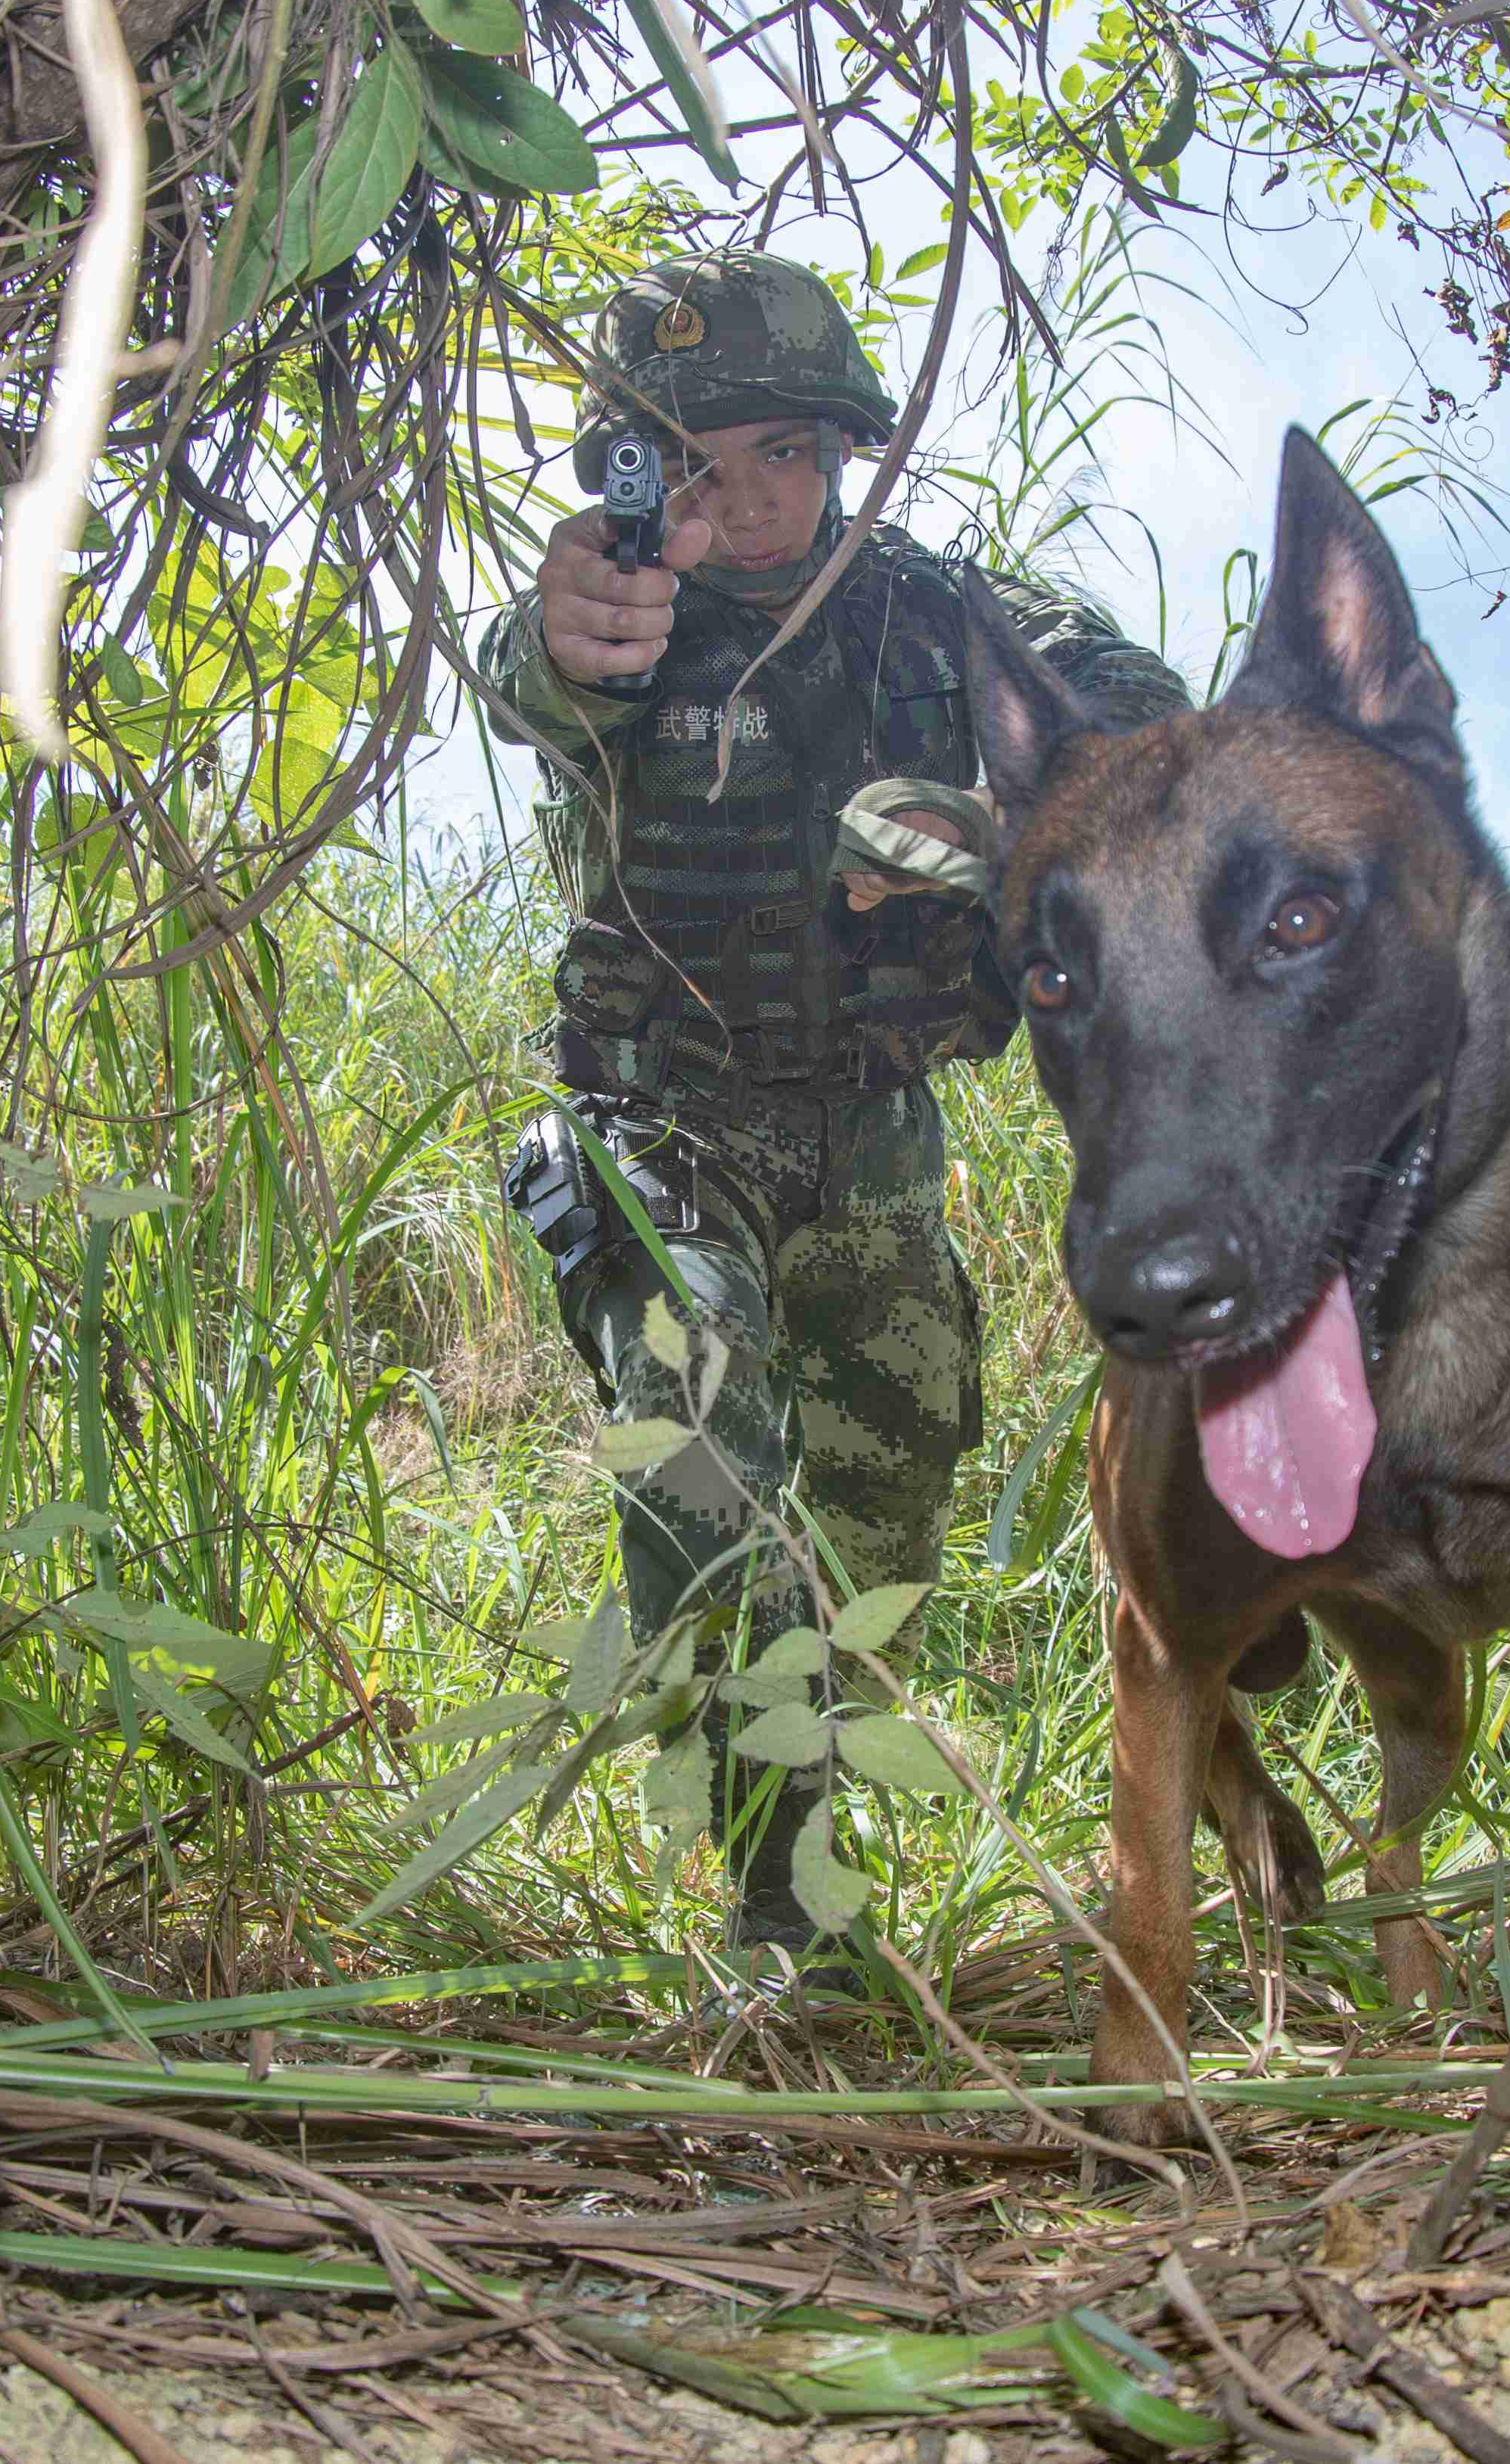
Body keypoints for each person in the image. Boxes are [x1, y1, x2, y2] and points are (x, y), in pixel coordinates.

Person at [484, 253, 1190, 1974]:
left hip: (873, 1149)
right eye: (690, 463)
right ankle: (779, 1918)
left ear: (841, 452)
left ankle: (792, 1802)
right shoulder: (621, 613)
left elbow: (1160, 731)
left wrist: (980, 822)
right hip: (662, 1125)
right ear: (629, 477)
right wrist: (568, 635)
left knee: (883, 1511)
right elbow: (537, 670)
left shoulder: (942, 615)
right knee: (702, 1433)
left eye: (782, 452)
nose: (743, 497)